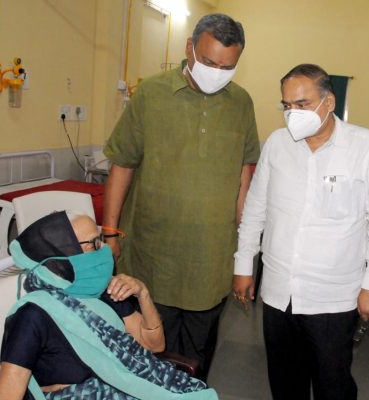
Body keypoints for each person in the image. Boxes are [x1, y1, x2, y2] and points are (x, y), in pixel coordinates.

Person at [103, 13, 260, 379]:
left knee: (196, 360)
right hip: (153, 256)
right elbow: (122, 165)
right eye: (209, 62)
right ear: (189, 47)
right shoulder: (151, 94)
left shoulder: (241, 103)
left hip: (210, 261)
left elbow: (244, 176)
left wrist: (244, 252)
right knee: (148, 355)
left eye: (227, 67)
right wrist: (110, 233)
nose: (217, 72)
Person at [233, 64, 369, 400]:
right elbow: (255, 209)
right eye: (286, 105)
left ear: (329, 102)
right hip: (279, 293)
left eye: (302, 104)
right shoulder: (277, 144)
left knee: (332, 385)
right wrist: (243, 266)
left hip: (333, 298)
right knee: (285, 384)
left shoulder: (363, 145)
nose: (293, 113)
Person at [0, 212, 217, 399]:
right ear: (63, 256)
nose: (105, 249)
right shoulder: (33, 315)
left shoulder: (102, 291)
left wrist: (143, 294)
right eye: (94, 244)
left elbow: (154, 345)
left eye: (101, 240)